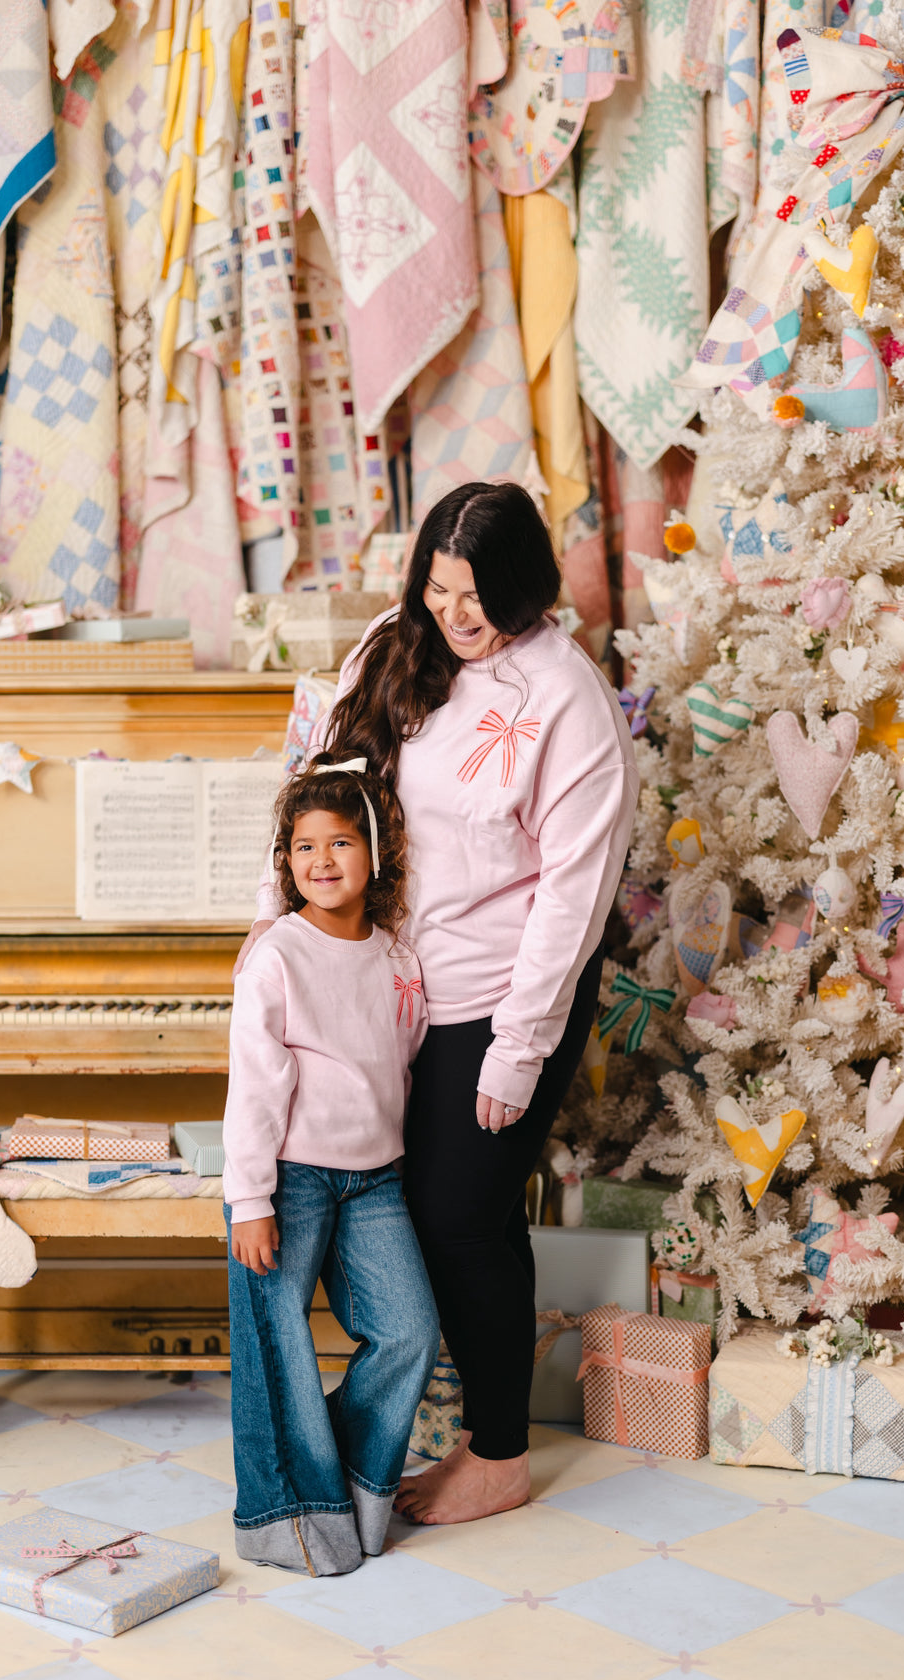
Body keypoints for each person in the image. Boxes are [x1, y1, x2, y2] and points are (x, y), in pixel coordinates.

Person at [241, 480, 638, 1527]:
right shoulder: (395, 643)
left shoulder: (569, 700)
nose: (456, 615)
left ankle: (498, 1454)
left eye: (477, 597)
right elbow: (319, 793)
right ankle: (467, 1426)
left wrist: (519, 1050)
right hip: (385, 985)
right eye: (439, 587)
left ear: (527, 589)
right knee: (444, 1216)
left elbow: (575, 894)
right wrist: (277, 931)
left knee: (454, 1217)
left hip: (504, 995)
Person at [223, 755, 439, 1576]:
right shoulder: (275, 955)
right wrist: (249, 1198)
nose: (320, 860)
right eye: (303, 846)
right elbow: (253, 1083)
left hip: (375, 1178)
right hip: (290, 1178)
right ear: (285, 861)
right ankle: (289, 1516)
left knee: (407, 1332)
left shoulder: (396, 957)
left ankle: (345, 1485)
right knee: (278, 1344)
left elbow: (404, 1060)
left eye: (340, 842)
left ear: (374, 856)